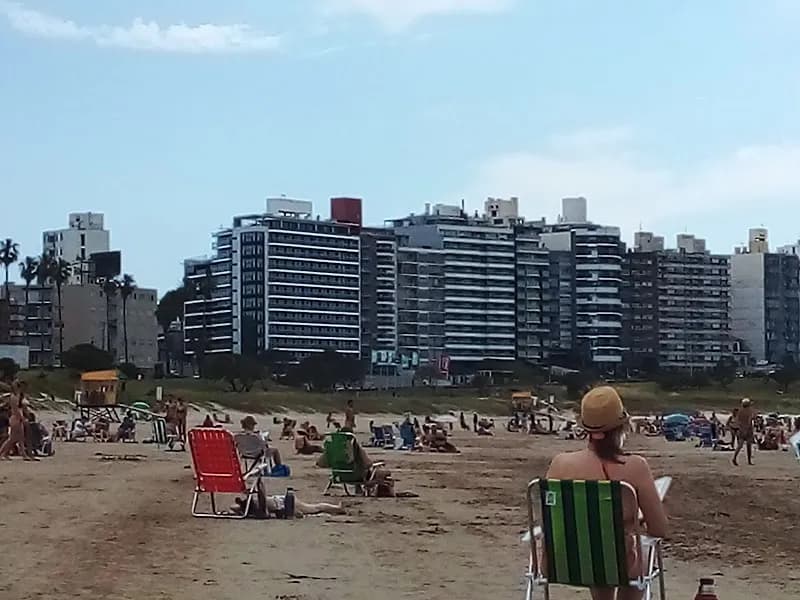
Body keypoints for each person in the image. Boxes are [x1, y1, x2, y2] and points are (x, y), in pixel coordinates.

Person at [546, 386, 667, 600]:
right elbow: (659, 529)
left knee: (594, 541)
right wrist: (634, 518)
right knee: (636, 549)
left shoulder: (560, 464)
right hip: (618, 565)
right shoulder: (635, 466)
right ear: (622, 426)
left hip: (564, 563)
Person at [0, 380, 37, 461]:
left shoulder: (18, 396)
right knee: (13, 438)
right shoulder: (14, 397)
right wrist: (22, 418)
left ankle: (21, 454)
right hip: (15, 418)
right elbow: (16, 409)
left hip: (18, 417)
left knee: (19, 437)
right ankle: (2, 453)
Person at [732, 398, 756, 466]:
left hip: (741, 429)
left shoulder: (740, 411)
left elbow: (737, 421)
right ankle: (749, 461)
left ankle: (734, 457)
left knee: (740, 445)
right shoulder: (749, 411)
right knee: (749, 445)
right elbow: (751, 419)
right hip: (748, 429)